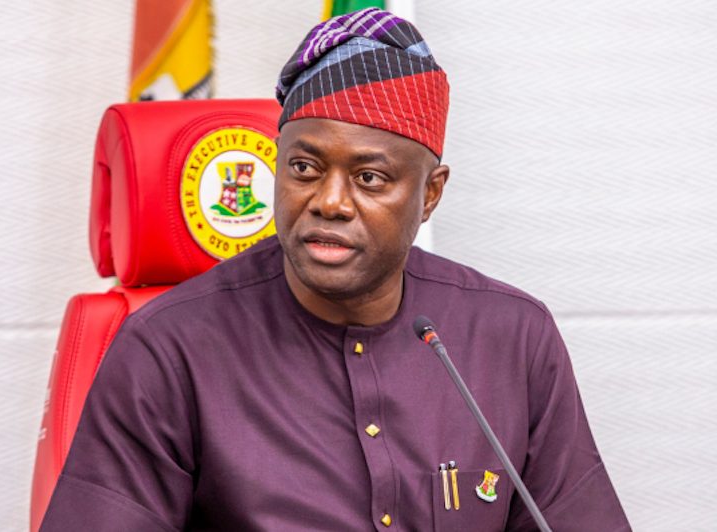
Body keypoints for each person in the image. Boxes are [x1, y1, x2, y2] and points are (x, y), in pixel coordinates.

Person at [41, 8, 630, 531]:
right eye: (303, 167)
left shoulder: (511, 337)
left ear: (430, 195)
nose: (329, 201)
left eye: (370, 178)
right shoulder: (169, 350)